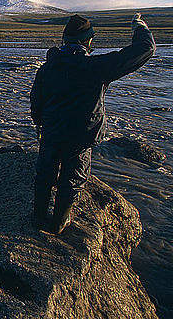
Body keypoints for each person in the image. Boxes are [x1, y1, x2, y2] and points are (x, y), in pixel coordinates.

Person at [30, 13, 155, 234]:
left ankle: (38, 219)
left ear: (64, 41)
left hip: (51, 131)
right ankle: (60, 222)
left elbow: (36, 100)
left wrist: (39, 124)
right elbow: (145, 49)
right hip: (81, 136)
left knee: (45, 175)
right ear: (87, 41)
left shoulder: (47, 68)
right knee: (73, 178)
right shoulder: (95, 66)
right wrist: (139, 26)